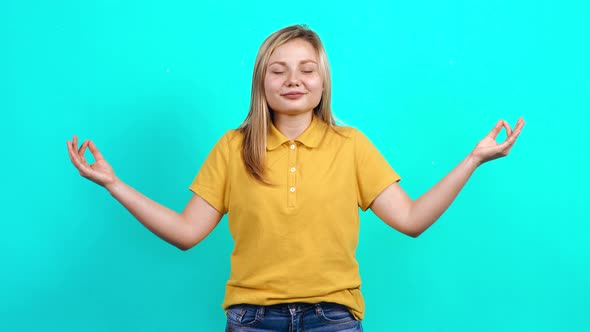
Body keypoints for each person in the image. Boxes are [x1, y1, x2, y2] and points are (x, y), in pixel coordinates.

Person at [66, 25, 525, 332]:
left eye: (307, 70)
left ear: (323, 81)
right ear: (261, 82)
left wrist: (473, 159)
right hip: (250, 319)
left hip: (334, 318)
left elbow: (410, 219)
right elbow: (187, 233)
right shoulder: (233, 147)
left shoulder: (350, 146)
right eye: (278, 70)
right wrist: (113, 183)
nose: (294, 80)